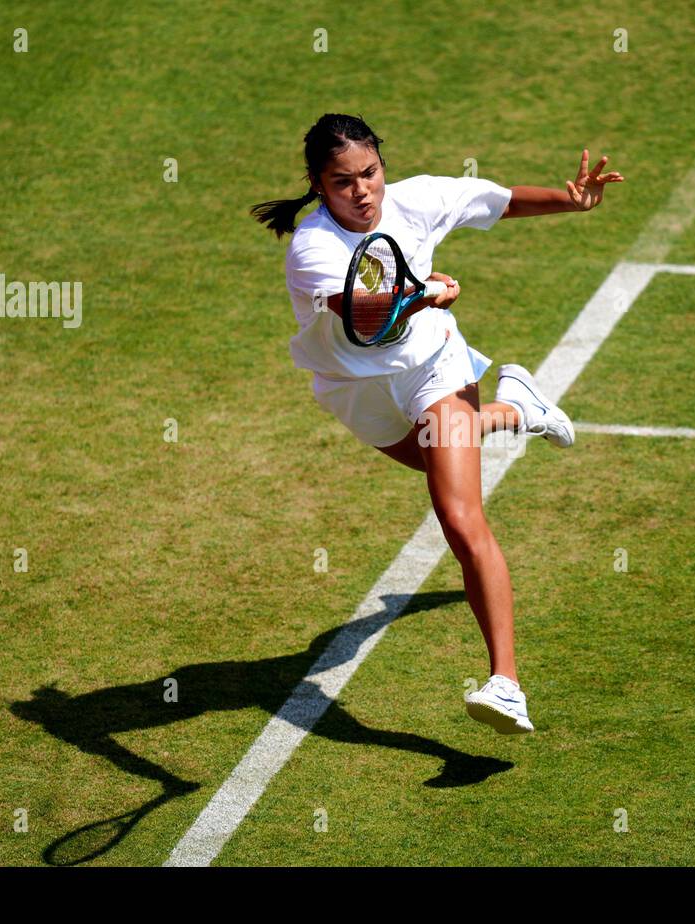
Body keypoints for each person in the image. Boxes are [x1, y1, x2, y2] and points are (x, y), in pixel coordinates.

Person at [252, 113, 623, 733]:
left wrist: (572, 200)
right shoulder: (311, 248)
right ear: (319, 184)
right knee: (437, 456)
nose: (362, 190)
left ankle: (505, 682)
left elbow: (495, 202)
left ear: (382, 167)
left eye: (369, 173)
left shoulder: (417, 200)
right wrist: (424, 291)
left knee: (457, 512)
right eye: (343, 182)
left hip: (434, 367)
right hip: (355, 388)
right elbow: (362, 311)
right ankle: (516, 409)